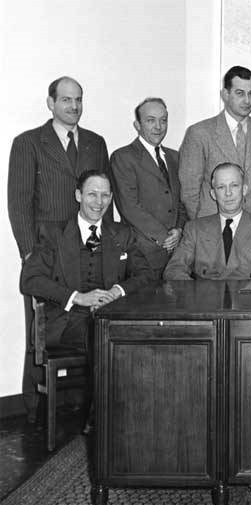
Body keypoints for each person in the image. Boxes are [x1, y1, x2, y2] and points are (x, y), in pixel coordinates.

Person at [7, 76, 110, 419]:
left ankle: (87, 404)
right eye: (66, 100)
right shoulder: (28, 143)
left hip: (89, 247)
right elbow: (19, 202)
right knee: (42, 330)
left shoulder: (96, 142)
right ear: (51, 103)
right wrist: (28, 253)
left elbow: (103, 193)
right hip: (48, 253)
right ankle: (34, 406)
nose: (74, 106)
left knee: (90, 322)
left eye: (79, 99)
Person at [20, 170, 153, 352]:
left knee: (140, 337)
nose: (99, 202)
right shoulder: (53, 234)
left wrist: (116, 292)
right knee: (106, 338)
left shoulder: (122, 233)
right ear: (78, 195)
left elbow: (145, 274)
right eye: (92, 194)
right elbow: (31, 280)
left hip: (110, 319)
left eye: (105, 195)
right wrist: (79, 298)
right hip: (65, 323)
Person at [164, 163, 251, 281]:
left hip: (250, 301)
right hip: (207, 302)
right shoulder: (195, 229)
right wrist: (197, 293)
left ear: (244, 189)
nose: (228, 193)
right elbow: (174, 269)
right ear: (213, 194)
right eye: (221, 187)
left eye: (234, 185)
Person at [179, 66, 251, 219]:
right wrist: (201, 228)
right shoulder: (199, 133)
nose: (247, 100)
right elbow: (189, 191)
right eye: (240, 93)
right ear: (225, 94)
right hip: (212, 226)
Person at [111, 98, 187, 278]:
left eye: (163, 120)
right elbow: (129, 206)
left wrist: (179, 230)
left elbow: (182, 201)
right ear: (137, 124)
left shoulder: (175, 157)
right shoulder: (123, 157)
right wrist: (164, 237)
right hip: (143, 254)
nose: (158, 127)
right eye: (150, 120)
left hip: (176, 254)